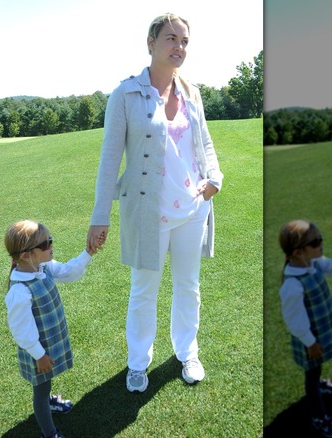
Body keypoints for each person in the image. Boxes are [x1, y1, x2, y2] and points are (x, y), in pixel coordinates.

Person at [87, 12, 223, 393]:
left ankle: (187, 352)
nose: (178, 47)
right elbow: (109, 159)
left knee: (188, 285)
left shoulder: (192, 92)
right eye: (170, 39)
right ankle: (137, 363)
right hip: (148, 212)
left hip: (193, 209)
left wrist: (214, 179)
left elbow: (205, 144)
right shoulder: (125, 95)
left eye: (184, 41)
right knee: (144, 290)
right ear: (151, 43)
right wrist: (100, 217)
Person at [4, 220, 95, 438]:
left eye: (50, 240)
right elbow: (21, 331)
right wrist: (39, 355)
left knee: (46, 383)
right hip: (38, 351)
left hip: (47, 345)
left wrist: (87, 253)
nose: (51, 245)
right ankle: (50, 432)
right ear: (26, 255)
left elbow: (68, 272)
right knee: (41, 390)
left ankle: (50, 402)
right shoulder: (20, 291)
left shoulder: (43, 267)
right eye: (45, 244)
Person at [278, 220, 332, 438]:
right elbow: (294, 320)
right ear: (298, 252)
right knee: (311, 377)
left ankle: (320, 384)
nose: (321, 243)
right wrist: (310, 342)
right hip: (310, 341)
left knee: (316, 370)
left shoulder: (313, 263)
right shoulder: (292, 285)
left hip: (317, 336)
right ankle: (318, 415)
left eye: (320, 238)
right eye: (316, 241)